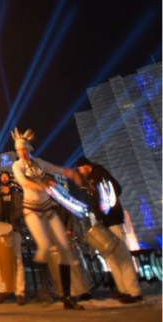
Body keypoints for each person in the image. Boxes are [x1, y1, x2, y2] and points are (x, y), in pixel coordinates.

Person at [11, 127, 83, 311]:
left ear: (29, 149)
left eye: (24, 149)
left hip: (48, 210)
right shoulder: (17, 166)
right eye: (19, 150)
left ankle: (67, 297)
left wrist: (70, 173)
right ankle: (42, 290)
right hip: (32, 210)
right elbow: (25, 183)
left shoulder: (39, 162)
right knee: (43, 247)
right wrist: (45, 185)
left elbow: (56, 169)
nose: (22, 153)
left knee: (64, 248)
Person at [76, 156, 142, 304]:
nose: (80, 172)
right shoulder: (90, 180)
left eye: (80, 169)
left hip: (112, 219)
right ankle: (123, 290)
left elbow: (116, 188)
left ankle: (134, 292)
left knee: (122, 256)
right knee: (112, 257)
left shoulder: (100, 173)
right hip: (104, 222)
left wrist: (108, 207)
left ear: (86, 166)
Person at [0, 170, 26, 305]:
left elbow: (19, 209)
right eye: (2, 176)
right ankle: (1, 289)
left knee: (17, 259)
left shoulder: (15, 194)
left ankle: (19, 291)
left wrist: (11, 221)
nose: (4, 177)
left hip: (13, 229)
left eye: (6, 176)